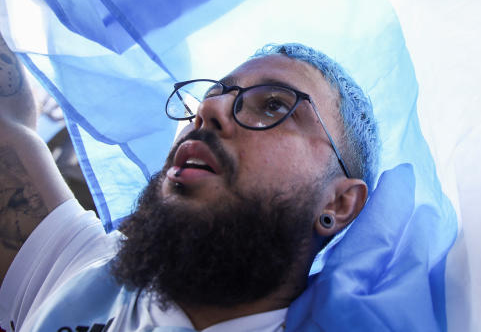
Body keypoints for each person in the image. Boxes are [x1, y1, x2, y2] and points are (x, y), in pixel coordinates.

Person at [0, 31, 379, 331]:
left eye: (275, 105)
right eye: (213, 96)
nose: (208, 109)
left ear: (339, 204)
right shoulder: (78, 273)